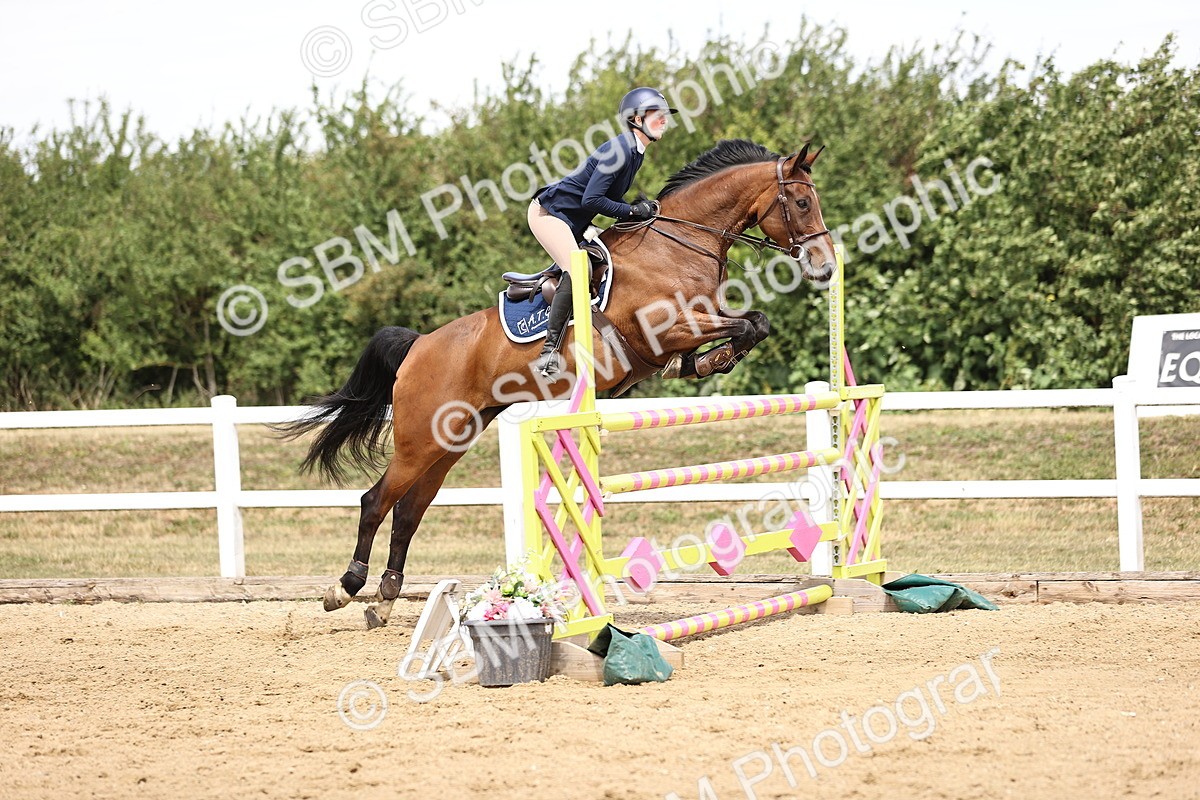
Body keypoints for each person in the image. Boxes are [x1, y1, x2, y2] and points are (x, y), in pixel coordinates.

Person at [527, 86, 677, 376]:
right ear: (636, 119)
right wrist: (633, 211)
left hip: (575, 220)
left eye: (664, 115)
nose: (664, 120)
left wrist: (638, 209)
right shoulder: (620, 149)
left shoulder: (635, 152)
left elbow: (607, 198)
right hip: (549, 213)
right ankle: (549, 353)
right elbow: (592, 200)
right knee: (577, 268)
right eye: (656, 114)